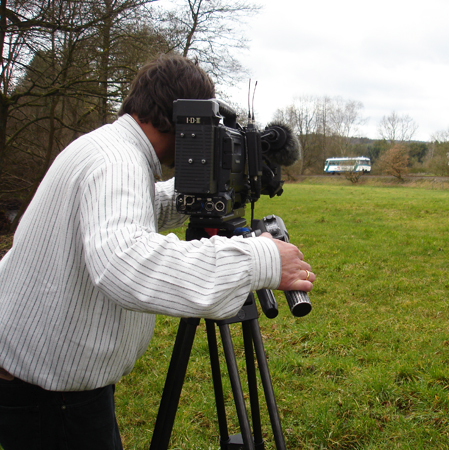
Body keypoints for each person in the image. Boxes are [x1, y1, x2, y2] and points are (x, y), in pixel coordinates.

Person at [0, 54, 314, 450]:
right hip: (51, 396)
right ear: (185, 119)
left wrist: (208, 190)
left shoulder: (109, 147)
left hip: (46, 380)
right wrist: (260, 260)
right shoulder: (117, 162)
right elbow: (126, 262)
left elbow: (140, 205)